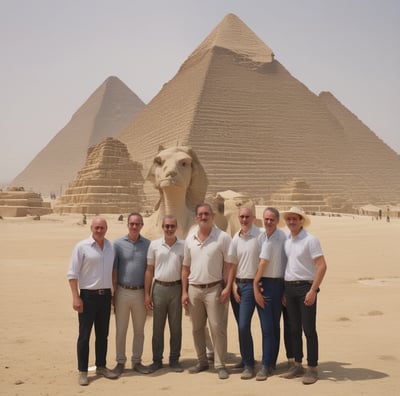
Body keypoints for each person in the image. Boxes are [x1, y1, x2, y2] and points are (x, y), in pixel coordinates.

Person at [182, 203, 234, 380]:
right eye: (200, 214)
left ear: (212, 216)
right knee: (197, 328)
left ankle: (220, 364)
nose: (203, 217)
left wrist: (227, 287)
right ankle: (202, 361)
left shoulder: (223, 237)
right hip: (194, 289)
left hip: (215, 289)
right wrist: (184, 291)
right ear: (196, 217)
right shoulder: (190, 238)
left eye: (206, 214)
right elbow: (185, 267)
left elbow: (229, 265)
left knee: (217, 327)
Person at [67, 216, 118, 386]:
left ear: (106, 229)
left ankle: (101, 366)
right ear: (91, 228)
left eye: (102, 227)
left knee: (103, 335)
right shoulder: (82, 247)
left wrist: (113, 294)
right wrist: (76, 297)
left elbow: (112, 272)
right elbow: (72, 274)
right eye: (96, 228)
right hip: (87, 297)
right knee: (84, 335)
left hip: (105, 297)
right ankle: (83, 371)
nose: (99, 230)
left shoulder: (111, 247)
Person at [280, 207, 327, 385]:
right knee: (293, 329)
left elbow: (322, 266)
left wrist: (313, 290)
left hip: (305, 288)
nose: (291, 222)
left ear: (301, 220)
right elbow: (288, 266)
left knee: (308, 330)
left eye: (295, 219)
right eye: (289, 219)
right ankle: (297, 364)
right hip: (290, 288)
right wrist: (284, 291)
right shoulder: (287, 240)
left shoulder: (310, 240)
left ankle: (312, 367)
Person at [144, 215, 185, 373]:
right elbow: (149, 270)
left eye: (172, 226)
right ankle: (157, 360)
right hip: (159, 288)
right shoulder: (154, 245)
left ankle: (174, 359)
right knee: (157, 327)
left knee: (176, 327)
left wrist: (184, 292)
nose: (169, 229)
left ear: (176, 227)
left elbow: (185, 270)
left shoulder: (183, 245)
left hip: (176, 288)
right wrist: (147, 294)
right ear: (163, 227)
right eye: (166, 226)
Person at [112, 212, 151, 376]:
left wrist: (148, 294)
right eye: (132, 224)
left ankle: (137, 361)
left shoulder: (148, 244)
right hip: (122, 291)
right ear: (127, 225)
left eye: (138, 224)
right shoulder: (118, 244)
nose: (134, 226)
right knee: (121, 329)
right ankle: (120, 361)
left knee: (139, 330)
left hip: (140, 292)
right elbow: (114, 270)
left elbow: (150, 270)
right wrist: (113, 294)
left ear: (142, 225)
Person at [253, 207, 288, 380]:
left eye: (272, 219)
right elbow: (258, 261)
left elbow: (288, 262)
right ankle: (267, 363)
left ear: (277, 220)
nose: (268, 222)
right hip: (264, 284)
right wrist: (257, 284)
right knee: (267, 327)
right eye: (266, 219)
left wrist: (285, 290)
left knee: (274, 326)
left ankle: (269, 363)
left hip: (279, 284)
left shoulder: (284, 237)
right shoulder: (260, 236)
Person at [229, 206, 261, 380]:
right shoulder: (236, 237)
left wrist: (257, 283)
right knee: (241, 326)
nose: (244, 220)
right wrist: (233, 284)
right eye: (241, 217)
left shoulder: (260, 236)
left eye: (247, 217)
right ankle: (245, 358)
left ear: (254, 218)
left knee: (243, 325)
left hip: (251, 286)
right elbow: (233, 264)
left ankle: (249, 364)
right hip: (238, 286)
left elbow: (265, 262)